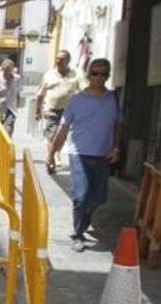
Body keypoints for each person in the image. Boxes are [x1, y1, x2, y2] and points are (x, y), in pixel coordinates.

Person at [47, 58, 121, 253]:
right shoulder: (77, 100)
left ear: (108, 75)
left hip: (103, 156)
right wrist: (52, 154)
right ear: (89, 75)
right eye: (95, 73)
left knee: (99, 197)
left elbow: (117, 125)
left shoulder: (113, 99)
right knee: (80, 196)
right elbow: (63, 129)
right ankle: (78, 233)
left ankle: (84, 217)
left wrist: (116, 148)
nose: (99, 77)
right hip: (79, 154)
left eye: (104, 73)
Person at [36, 50, 80, 173]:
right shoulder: (49, 75)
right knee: (52, 135)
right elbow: (40, 94)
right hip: (51, 109)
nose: (58, 61)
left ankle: (54, 153)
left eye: (61, 59)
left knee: (62, 136)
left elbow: (83, 90)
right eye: (57, 59)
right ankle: (51, 159)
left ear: (68, 61)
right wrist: (37, 111)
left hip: (68, 111)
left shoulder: (75, 75)